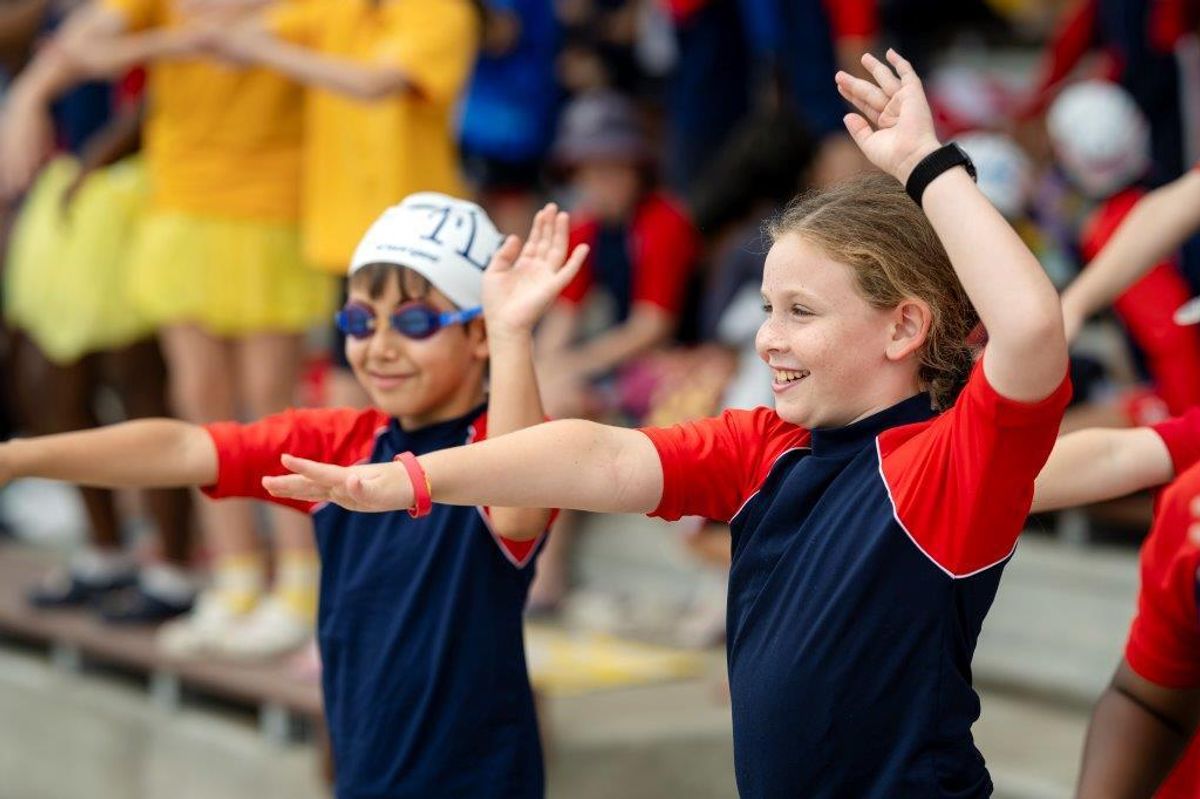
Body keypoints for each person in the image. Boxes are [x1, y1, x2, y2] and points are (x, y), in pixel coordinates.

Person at [263, 51, 1072, 796]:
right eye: (767, 308)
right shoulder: (765, 448)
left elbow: (1032, 326)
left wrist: (926, 165)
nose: (767, 338)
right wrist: (411, 478)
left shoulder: (950, 464)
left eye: (800, 311)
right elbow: (600, 457)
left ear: (904, 327)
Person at [0, 195, 585, 797]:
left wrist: (512, 334)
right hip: (366, 766)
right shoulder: (341, 445)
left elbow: (518, 501)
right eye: (359, 321)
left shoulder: (497, 447)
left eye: (413, 323)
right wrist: (15, 458)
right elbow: (183, 448)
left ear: (477, 332)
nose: (380, 346)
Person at [0, 0, 334, 658]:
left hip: (268, 206)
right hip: (178, 206)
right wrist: (34, 95)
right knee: (199, 399)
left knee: (271, 404)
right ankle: (235, 576)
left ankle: (299, 581)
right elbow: (79, 46)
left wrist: (204, 41)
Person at [199, 0, 481, 409]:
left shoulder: (439, 12)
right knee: (349, 384)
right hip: (347, 237)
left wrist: (261, 49)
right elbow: (239, 41)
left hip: (421, 241)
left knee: (420, 385)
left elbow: (374, 84)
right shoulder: (336, 6)